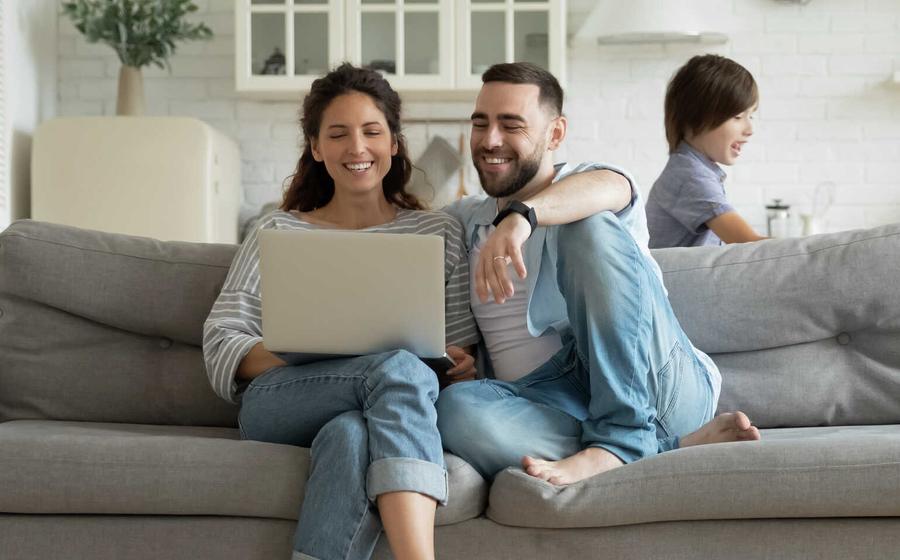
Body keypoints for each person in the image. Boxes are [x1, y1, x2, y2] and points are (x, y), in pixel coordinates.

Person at [436, 62, 760, 486]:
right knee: (453, 410)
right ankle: (663, 447)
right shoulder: (463, 221)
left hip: (656, 381)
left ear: (555, 134)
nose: (490, 139)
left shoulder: (589, 184)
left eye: (511, 124)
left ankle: (622, 437)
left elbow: (610, 188)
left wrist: (523, 217)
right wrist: (459, 359)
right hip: (552, 399)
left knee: (586, 222)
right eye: (481, 124)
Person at [203, 64, 479, 560]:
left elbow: (459, 348)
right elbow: (222, 340)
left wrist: (460, 363)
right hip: (282, 401)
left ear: (393, 142)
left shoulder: (438, 233)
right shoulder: (278, 232)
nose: (357, 148)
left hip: (391, 407)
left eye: (372, 132)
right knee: (395, 368)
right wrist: (307, 350)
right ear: (316, 147)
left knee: (350, 436)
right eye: (338, 134)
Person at [646, 54, 767, 249]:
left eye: (751, 116)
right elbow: (750, 245)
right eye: (738, 116)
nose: (750, 129)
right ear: (695, 118)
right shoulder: (689, 176)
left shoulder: (694, 170)